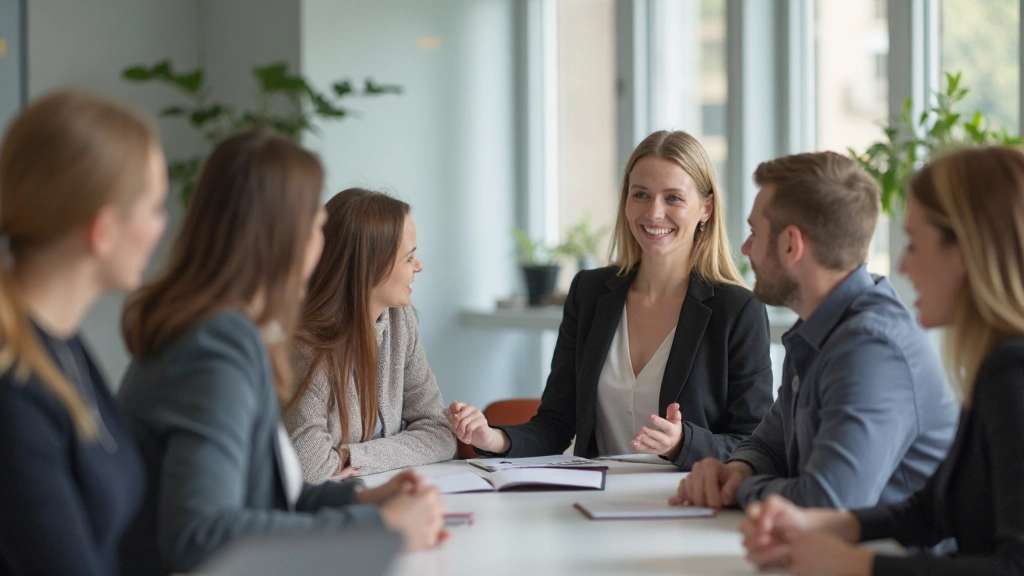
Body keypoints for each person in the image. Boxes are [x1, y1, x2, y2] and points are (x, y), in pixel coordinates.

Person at [117, 129, 444, 576]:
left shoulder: (225, 332)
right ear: (282, 236)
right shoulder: (215, 348)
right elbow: (200, 537)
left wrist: (360, 498)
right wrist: (378, 525)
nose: (322, 246)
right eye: (315, 228)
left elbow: (266, 492)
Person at [741, 146, 1024, 576]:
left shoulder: (1012, 373)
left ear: (965, 250)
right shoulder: (993, 365)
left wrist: (858, 564)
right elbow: (932, 512)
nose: (903, 266)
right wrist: (824, 524)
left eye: (913, 243)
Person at [448, 130, 773, 469]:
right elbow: (556, 423)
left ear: (706, 208)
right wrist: (493, 439)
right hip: (594, 501)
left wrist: (682, 443)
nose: (654, 212)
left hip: (685, 502)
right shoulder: (589, 293)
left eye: (673, 198)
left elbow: (753, 443)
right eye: (641, 195)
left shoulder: (737, 309)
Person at [674, 151, 958, 510]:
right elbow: (766, 445)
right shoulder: (818, 327)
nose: (746, 248)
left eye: (754, 233)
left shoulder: (871, 349)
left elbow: (826, 501)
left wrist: (735, 490)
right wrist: (738, 471)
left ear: (791, 244)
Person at [0, 90, 166, 575]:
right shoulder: (15, 393)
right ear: (104, 230)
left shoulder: (61, 345)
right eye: (155, 208)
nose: (161, 228)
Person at [283, 188, 455, 481]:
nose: (419, 266)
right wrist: (396, 451)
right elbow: (309, 465)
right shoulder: (306, 342)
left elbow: (440, 433)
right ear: (369, 266)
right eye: (408, 258)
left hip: (376, 494)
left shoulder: (400, 321)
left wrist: (352, 457)